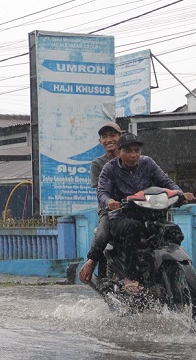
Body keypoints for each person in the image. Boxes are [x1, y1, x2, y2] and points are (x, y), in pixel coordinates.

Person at [96, 132, 194, 293]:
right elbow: (103, 193)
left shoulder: (147, 163)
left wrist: (180, 194)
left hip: (148, 213)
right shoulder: (110, 168)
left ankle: (169, 274)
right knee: (133, 228)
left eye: (137, 151)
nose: (134, 155)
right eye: (128, 151)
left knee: (172, 231)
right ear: (119, 152)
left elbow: (166, 182)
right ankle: (130, 276)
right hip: (121, 216)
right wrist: (110, 202)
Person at [79, 121, 121, 285]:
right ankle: (92, 261)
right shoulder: (98, 164)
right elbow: (101, 191)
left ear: (120, 137)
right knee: (103, 233)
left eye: (113, 135)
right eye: (104, 136)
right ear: (100, 141)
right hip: (109, 210)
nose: (109, 139)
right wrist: (111, 201)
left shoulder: (135, 158)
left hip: (135, 207)